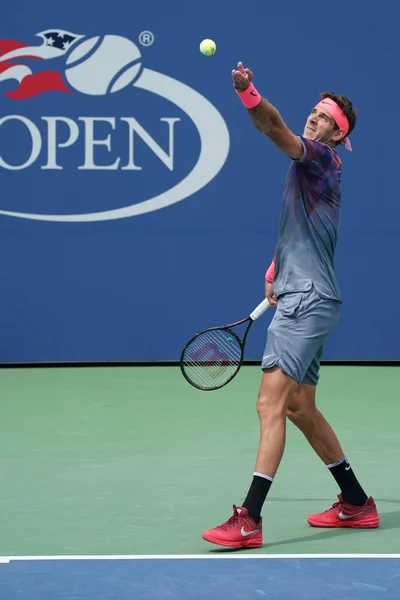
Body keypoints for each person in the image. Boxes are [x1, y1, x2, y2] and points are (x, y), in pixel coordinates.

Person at [202, 61, 379, 549]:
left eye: (324, 118)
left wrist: (248, 94)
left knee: (269, 402)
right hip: (312, 294)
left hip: (307, 301)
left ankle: (249, 520)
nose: (313, 119)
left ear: (337, 135)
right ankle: (357, 502)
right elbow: (303, 231)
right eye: (314, 112)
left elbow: (271, 126)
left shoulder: (319, 157)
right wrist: (276, 266)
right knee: (299, 406)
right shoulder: (314, 171)